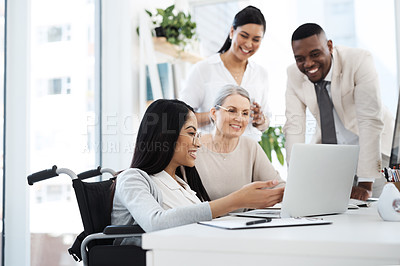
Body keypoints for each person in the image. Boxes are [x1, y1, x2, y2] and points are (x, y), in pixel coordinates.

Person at [111, 99, 284, 241]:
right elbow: (155, 223)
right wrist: (236, 201)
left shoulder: (181, 184)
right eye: (191, 133)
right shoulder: (132, 178)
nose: (198, 143)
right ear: (166, 135)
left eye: (197, 135)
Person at [283, 23, 394, 200]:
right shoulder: (294, 75)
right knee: (337, 211)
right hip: (337, 156)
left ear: (329, 46)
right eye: (300, 59)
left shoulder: (358, 60)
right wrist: (294, 178)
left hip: (377, 150)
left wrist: (365, 183)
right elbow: (294, 126)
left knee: (376, 209)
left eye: (315, 54)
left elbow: (369, 120)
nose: (308, 64)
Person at [179, 5, 270, 142]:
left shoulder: (261, 74)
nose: (249, 44)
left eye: (256, 39)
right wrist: (217, 115)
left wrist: (260, 119)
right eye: (244, 36)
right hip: (210, 151)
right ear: (232, 32)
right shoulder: (203, 69)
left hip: (248, 152)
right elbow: (181, 118)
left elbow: (265, 124)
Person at [194, 85, 285, 201]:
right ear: (213, 113)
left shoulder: (250, 147)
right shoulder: (194, 146)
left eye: (245, 113)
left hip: (246, 219)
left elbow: (278, 186)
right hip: (205, 219)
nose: (239, 118)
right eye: (232, 111)